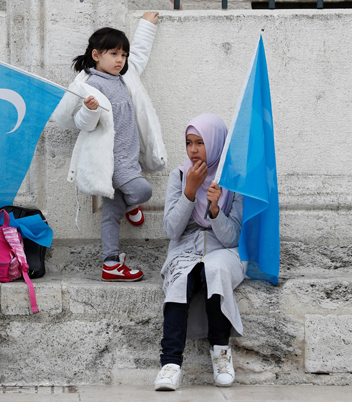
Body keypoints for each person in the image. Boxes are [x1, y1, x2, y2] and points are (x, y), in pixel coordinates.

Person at [52, 12, 167, 282]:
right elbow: (82, 124)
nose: (120, 60)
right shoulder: (88, 85)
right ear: (96, 55)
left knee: (110, 215)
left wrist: (147, 24)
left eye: (122, 55)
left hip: (130, 158)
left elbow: (139, 53)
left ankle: (110, 263)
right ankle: (131, 205)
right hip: (111, 163)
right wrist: (90, 111)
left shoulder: (126, 77)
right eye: (114, 54)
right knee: (142, 190)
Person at [154, 113, 245, 391]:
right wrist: (190, 193)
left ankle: (221, 353)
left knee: (214, 270)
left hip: (223, 251)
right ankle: (170, 364)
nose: (193, 150)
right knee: (181, 278)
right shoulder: (179, 175)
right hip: (184, 249)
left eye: (200, 143)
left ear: (216, 144)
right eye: (189, 143)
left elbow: (233, 238)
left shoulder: (234, 179)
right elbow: (171, 230)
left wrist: (215, 211)